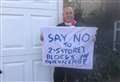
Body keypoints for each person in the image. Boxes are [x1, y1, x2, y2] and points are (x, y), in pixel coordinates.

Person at [54, 6, 80, 82]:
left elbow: (86, 41)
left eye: (70, 13)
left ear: (73, 14)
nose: (69, 15)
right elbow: (51, 41)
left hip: (73, 62)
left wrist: (91, 40)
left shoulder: (80, 28)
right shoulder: (57, 27)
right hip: (60, 61)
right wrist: (44, 38)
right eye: (66, 13)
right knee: (57, 79)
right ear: (63, 15)